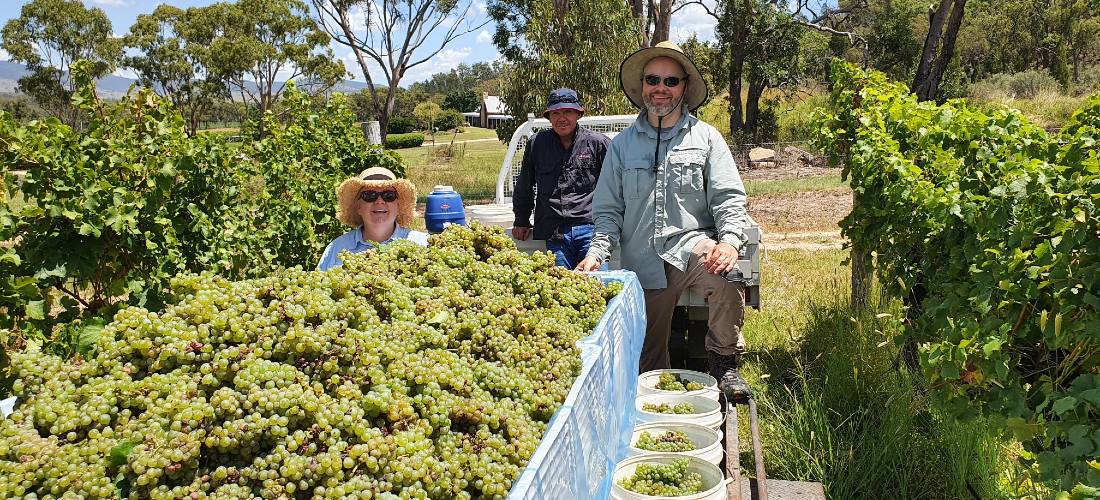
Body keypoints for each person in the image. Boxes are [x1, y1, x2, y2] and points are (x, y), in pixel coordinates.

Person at [576, 41, 753, 402]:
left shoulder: (706, 137)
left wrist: (730, 242)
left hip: (690, 251)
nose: (661, 88)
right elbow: (608, 211)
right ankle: (656, 407)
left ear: (685, 88)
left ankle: (723, 363)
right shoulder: (622, 146)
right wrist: (597, 253)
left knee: (731, 275)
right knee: (647, 364)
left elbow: (729, 199)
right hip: (642, 263)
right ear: (642, 85)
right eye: (653, 79)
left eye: (671, 81)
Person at [512, 88, 610, 270]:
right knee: (560, 291)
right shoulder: (537, 143)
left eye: (568, 112)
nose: (561, 118)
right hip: (554, 232)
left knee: (597, 288)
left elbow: (617, 186)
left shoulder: (598, 143)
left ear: (578, 114)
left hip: (591, 230)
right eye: (555, 113)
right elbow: (525, 185)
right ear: (549, 117)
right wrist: (521, 220)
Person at [317, 167, 429, 271]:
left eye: (388, 195)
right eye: (369, 195)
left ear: (398, 206)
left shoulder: (422, 243)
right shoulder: (336, 248)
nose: (379, 201)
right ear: (358, 207)